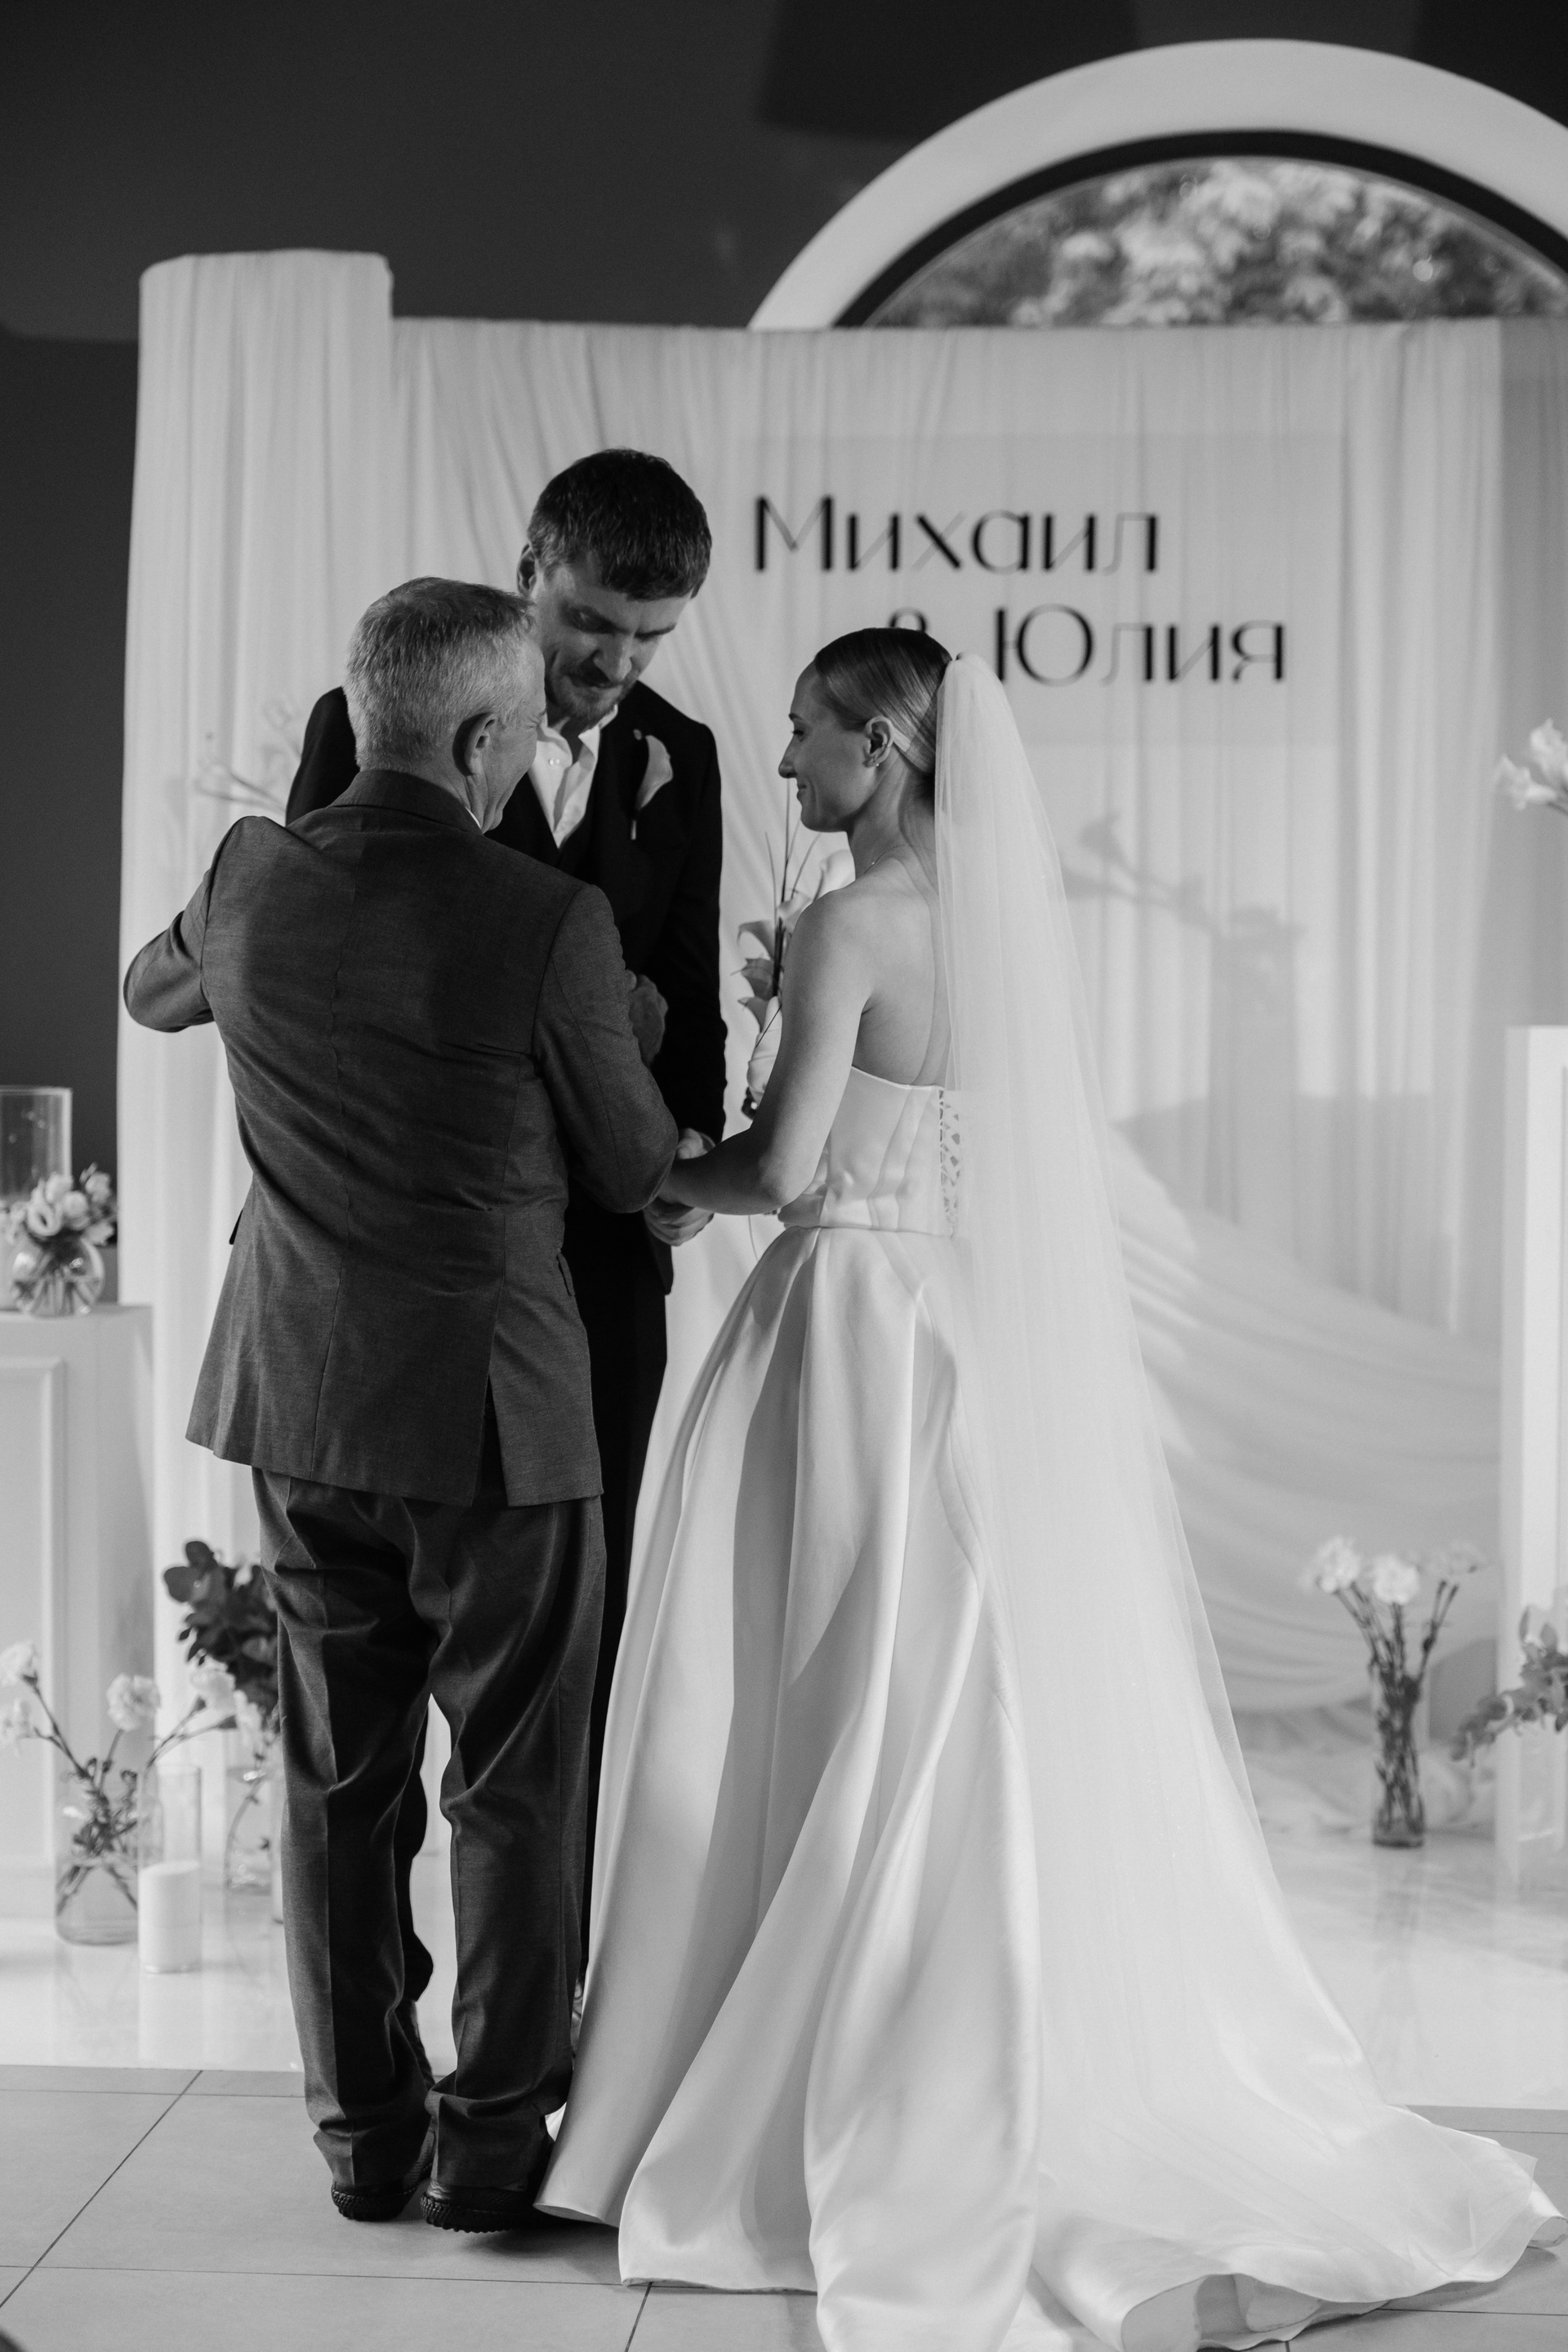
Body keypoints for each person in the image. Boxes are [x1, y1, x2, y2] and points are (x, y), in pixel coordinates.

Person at [542, 630, 1561, 2348]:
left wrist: (655, 1179)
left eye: (804, 735)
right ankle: (951, 2019)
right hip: (965, 1330)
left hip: (848, 1329)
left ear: (881, 745)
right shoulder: (1001, 919)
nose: (783, 767)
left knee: (804, 1688)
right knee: (940, 1680)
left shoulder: (849, 928)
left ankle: (778, 2072)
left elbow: (785, 1170)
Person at [125, 579, 677, 2231]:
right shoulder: (548, 921)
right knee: (512, 1785)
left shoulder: (248, 876)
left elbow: (154, 992)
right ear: (484, 734)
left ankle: (365, 2142)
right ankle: (493, 2149)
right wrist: (631, 1021)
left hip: (302, 1402)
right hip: (500, 1419)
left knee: (335, 1779)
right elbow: (634, 1166)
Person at [287, 448, 724, 1963]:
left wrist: (681, 1152)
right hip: (395, 1280)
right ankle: (389, 2030)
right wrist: (602, 1036)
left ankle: (545, 2017)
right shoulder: (367, 725)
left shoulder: (680, 754)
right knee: (368, 1702)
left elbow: (689, 1006)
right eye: (592, 621)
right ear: (531, 570)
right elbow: (316, 970)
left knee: (569, 1665)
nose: (614, 664)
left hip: (594, 1279)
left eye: (650, 636)